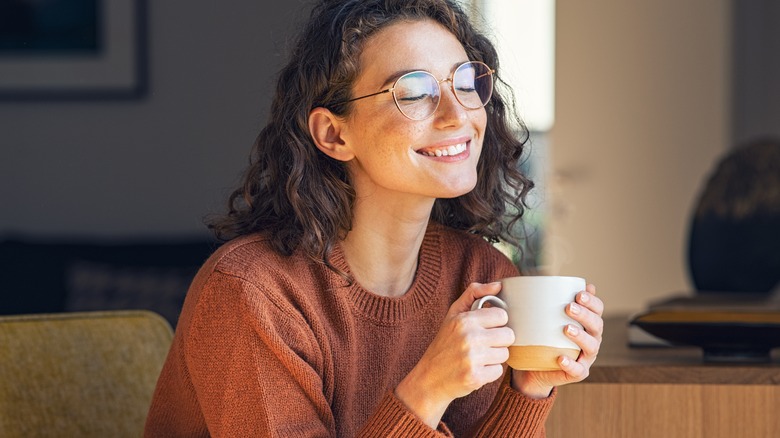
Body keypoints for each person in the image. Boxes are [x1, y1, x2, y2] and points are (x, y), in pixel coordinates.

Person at [144, 0, 604, 436]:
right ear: (333, 134)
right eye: (414, 92)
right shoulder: (253, 293)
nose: (456, 114)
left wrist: (529, 387)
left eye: (464, 83)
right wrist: (427, 391)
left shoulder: (480, 275)